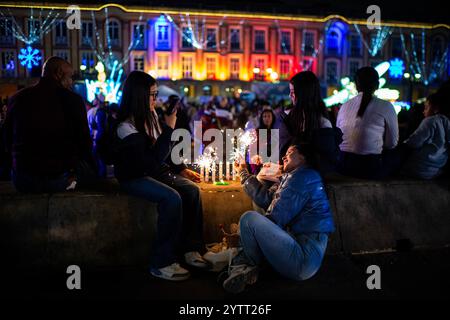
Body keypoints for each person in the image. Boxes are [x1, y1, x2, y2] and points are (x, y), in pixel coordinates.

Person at [113, 71, 208, 281]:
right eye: (152, 95)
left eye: (157, 94)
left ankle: (191, 248)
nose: (156, 99)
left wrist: (181, 169)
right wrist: (170, 127)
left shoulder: (152, 116)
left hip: (155, 170)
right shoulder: (124, 127)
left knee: (192, 191)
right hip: (135, 176)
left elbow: (163, 153)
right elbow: (150, 161)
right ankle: (161, 261)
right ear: (138, 95)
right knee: (171, 198)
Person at [220, 143, 335, 294]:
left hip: (303, 258)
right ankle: (243, 267)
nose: (283, 157)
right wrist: (245, 173)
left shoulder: (303, 177)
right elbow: (267, 200)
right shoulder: (295, 176)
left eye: (290, 152)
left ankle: (242, 265)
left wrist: (245, 236)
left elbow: (275, 217)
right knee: (252, 220)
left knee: (248, 219)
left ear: (303, 157)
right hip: (298, 250)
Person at [3, 56, 93, 193]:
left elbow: (6, 137)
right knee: (91, 172)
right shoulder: (73, 100)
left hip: (22, 178)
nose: (71, 83)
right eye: (70, 77)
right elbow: (85, 143)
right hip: (57, 178)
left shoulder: (17, 98)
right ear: (58, 73)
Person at [336, 67, 399, 179]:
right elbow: (392, 143)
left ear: (356, 85)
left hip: (343, 164)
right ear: (377, 85)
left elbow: (338, 136)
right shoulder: (386, 106)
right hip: (369, 166)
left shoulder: (345, 106)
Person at [280, 71, 342, 175]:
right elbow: (275, 144)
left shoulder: (323, 123)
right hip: (282, 172)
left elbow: (327, 162)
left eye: (293, 91)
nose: (290, 95)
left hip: (307, 179)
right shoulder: (285, 115)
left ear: (304, 94)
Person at [401, 93, 450, 179]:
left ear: (436, 109)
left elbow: (413, 143)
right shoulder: (446, 122)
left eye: (426, 108)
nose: (424, 111)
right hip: (436, 170)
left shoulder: (430, 121)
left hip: (420, 168)